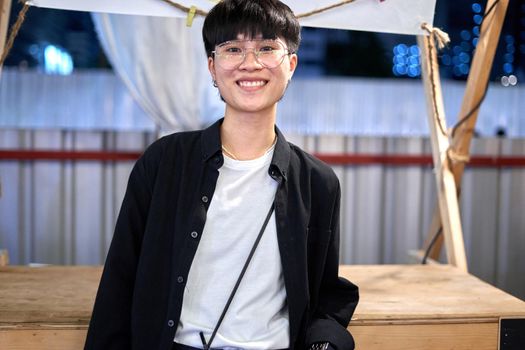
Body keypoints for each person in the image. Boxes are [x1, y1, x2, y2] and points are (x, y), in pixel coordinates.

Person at [84, 0, 359, 349]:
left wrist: (326, 340)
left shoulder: (318, 182)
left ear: (291, 64)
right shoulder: (164, 162)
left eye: (266, 48)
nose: (250, 63)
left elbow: (321, 294)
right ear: (212, 67)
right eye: (233, 49)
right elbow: (119, 283)